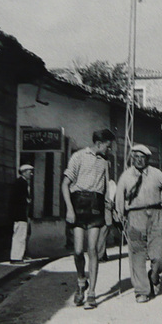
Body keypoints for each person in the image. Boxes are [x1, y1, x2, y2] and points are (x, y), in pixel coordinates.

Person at [115, 144, 162, 303]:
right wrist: (119, 215)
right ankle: (141, 290)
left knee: (158, 256)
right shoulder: (126, 176)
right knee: (137, 254)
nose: (139, 160)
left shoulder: (156, 174)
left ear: (148, 159)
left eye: (142, 157)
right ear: (132, 158)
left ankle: (154, 276)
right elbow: (119, 198)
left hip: (156, 215)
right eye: (136, 157)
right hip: (135, 216)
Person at [61, 129, 115, 310]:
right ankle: (81, 281)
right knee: (77, 251)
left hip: (96, 207)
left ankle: (91, 293)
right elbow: (65, 185)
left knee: (92, 249)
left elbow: (107, 188)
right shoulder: (78, 157)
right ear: (99, 143)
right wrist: (69, 209)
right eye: (108, 146)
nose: (110, 150)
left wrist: (110, 208)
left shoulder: (105, 163)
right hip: (78, 206)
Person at [9, 164, 34, 264]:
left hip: (21, 213)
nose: (31, 174)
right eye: (29, 172)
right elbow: (21, 199)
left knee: (20, 235)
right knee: (19, 236)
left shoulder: (22, 182)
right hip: (20, 213)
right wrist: (27, 201)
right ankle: (16, 258)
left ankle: (19, 256)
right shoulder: (21, 183)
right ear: (23, 172)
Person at [98, 179, 117, 263]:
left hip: (106, 212)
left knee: (103, 233)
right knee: (102, 234)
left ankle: (102, 254)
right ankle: (100, 255)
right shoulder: (106, 183)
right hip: (103, 212)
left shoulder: (111, 184)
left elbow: (112, 199)